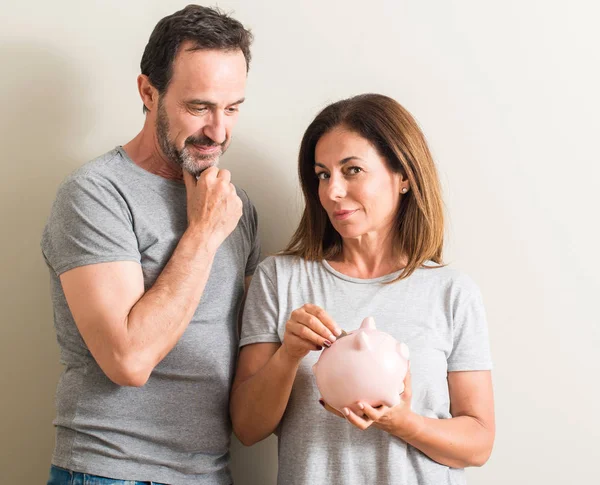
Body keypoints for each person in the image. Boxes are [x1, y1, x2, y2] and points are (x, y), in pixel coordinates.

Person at [41, 5, 259, 485]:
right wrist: (202, 233)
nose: (218, 131)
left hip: (209, 473)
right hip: (111, 471)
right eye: (199, 107)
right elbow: (128, 360)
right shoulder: (96, 193)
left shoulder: (231, 203)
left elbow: (248, 350)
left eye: (233, 108)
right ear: (148, 91)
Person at [231, 94, 495, 485]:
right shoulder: (280, 279)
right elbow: (247, 429)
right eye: (323, 175)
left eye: (352, 170)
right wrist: (289, 355)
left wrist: (402, 423)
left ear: (403, 176)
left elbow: (479, 444)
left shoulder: (451, 292)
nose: (333, 191)